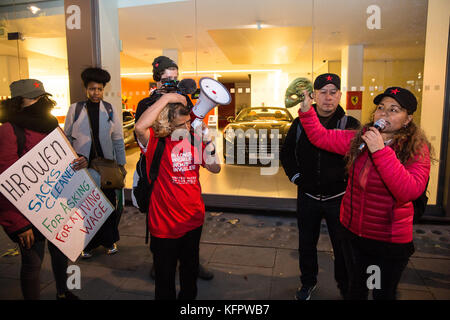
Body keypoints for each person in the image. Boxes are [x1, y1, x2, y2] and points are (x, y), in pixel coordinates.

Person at [297, 86, 431, 300]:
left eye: (394, 110)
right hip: (354, 236)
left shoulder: (416, 149)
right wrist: (306, 110)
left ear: (407, 120)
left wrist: (380, 151)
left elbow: (408, 191)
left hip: (385, 241)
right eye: (381, 107)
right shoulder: (361, 139)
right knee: (356, 289)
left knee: (379, 292)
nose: (384, 113)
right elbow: (321, 137)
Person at [281, 73, 360, 300]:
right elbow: (287, 154)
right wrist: (296, 177)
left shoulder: (350, 125)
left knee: (343, 247)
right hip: (308, 196)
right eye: (323, 92)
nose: (328, 98)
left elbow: (359, 162)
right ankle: (308, 283)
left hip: (339, 198)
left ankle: (346, 287)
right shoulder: (300, 122)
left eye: (333, 92)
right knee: (306, 244)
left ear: (340, 95)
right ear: (314, 95)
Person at [134, 91, 220, 300]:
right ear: (169, 125)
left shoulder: (194, 139)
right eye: (182, 125)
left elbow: (215, 167)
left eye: (188, 123)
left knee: (190, 277)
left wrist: (206, 139)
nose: (187, 128)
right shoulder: (156, 142)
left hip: (193, 220)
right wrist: (166, 99)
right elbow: (139, 127)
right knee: (164, 280)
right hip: (164, 225)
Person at [0, 79, 79, 300]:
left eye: (41, 97)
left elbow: (66, 157)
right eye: (33, 98)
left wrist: (78, 161)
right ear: (19, 102)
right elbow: (5, 182)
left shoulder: (51, 123)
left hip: (58, 206)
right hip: (27, 213)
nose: (39, 102)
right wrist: (18, 224)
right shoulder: (9, 130)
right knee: (33, 263)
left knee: (64, 253)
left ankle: (65, 292)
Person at [64, 67, 126, 258]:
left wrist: (121, 165)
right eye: (92, 89)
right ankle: (88, 244)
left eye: (99, 89)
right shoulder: (75, 109)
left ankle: (109, 240)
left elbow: (117, 139)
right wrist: (74, 158)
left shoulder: (109, 109)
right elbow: (66, 138)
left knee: (107, 205)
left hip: (106, 168)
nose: (96, 93)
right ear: (86, 89)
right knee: (86, 208)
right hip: (83, 169)